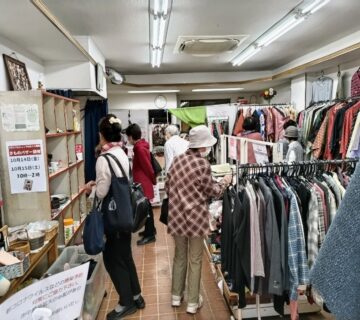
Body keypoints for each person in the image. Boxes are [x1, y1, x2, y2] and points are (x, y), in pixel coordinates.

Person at [165, 125, 232, 314]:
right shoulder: (202, 164)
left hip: (177, 216)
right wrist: (225, 181)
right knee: (195, 259)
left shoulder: (177, 161)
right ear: (202, 147)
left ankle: (176, 297)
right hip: (195, 218)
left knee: (179, 256)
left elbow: (169, 187)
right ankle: (193, 302)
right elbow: (214, 191)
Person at [84, 115, 144, 320]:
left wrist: (89, 189)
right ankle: (137, 295)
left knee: (112, 259)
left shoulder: (103, 158)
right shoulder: (121, 152)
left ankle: (126, 302)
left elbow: (101, 192)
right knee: (125, 255)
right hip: (125, 214)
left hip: (113, 217)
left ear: (101, 134)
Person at [125, 123, 157, 245]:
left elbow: (147, 167)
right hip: (143, 182)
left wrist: (153, 180)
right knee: (146, 207)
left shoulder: (139, 148)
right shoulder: (141, 145)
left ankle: (150, 235)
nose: (128, 140)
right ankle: (150, 230)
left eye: (128, 137)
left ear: (132, 137)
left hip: (143, 183)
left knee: (146, 209)